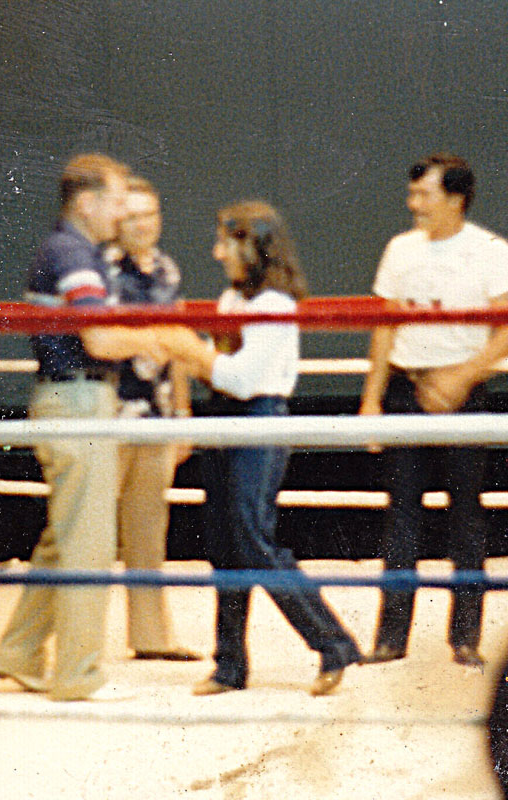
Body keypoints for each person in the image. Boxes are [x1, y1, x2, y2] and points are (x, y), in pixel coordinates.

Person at [103, 201, 363, 696]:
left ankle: (333, 643)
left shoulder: (275, 305)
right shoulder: (232, 300)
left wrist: (186, 347)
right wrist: (193, 354)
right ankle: (230, 664)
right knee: (224, 542)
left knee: (251, 536)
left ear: (251, 246)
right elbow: (220, 370)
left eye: (225, 242)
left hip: (258, 419)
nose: (217, 253)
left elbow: (243, 379)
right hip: (224, 416)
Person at [359, 153, 508, 668]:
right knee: (401, 516)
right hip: (406, 390)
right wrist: (371, 399)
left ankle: (466, 637)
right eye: (412, 193)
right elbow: (385, 326)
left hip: (464, 395)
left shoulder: (492, 251)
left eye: (424, 194)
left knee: (466, 517)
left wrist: (462, 377)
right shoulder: (400, 249)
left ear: (456, 198)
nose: (413, 204)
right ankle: (390, 638)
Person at [0, 152, 135, 702]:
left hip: (70, 399)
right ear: (88, 202)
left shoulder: (70, 250)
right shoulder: (74, 254)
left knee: (64, 538)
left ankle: (20, 651)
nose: (122, 213)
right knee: (88, 544)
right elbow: (100, 339)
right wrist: (164, 338)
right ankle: (77, 674)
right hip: (78, 401)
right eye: (116, 201)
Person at [110, 177, 200, 662]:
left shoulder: (167, 269)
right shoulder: (100, 270)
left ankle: (152, 637)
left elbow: (178, 346)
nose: (143, 224)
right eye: (133, 215)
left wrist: (182, 414)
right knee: (85, 532)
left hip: (156, 415)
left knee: (148, 529)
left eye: (151, 213)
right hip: (107, 415)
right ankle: (64, 643)